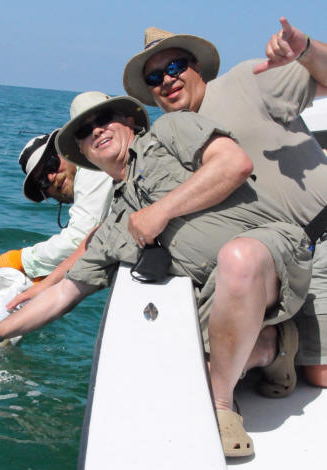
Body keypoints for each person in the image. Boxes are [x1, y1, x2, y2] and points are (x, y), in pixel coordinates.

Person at [0, 92, 312, 457]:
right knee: (165, 385)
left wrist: (162, 211)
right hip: (218, 295)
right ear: (84, 153)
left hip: (274, 257)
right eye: (85, 131)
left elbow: (234, 164)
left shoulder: (172, 130)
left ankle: (221, 408)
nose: (97, 130)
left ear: (129, 121)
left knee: (238, 257)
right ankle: (274, 346)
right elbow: (67, 293)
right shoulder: (116, 223)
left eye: (105, 118)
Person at [123, 17, 327, 391]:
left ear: (195, 67)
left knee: (320, 375)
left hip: (323, 235)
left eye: (173, 67)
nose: (166, 80)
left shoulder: (244, 81)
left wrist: (306, 50)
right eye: (154, 78)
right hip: (278, 263)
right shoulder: (172, 140)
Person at [0, 129, 113, 280]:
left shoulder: (91, 166)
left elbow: (81, 237)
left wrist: (22, 260)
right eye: (43, 180)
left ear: (66, 152)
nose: (51, 177)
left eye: (51, 164)